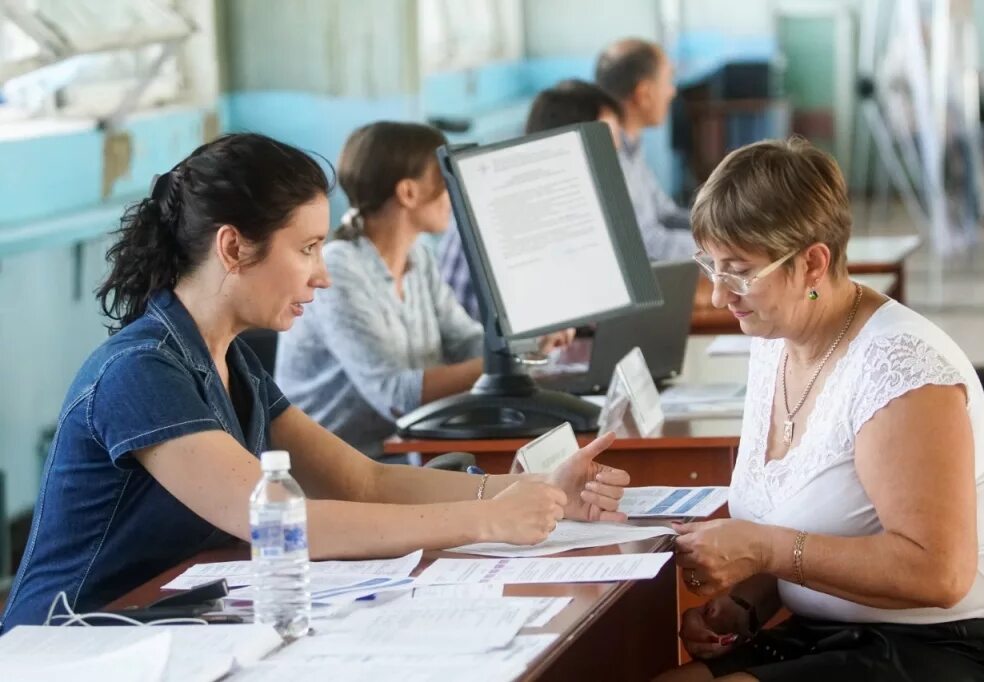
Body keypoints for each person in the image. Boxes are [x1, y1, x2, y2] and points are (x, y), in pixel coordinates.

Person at [0, 133, 630, 632]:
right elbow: (287, 523)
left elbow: (365, 479)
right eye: (306, 249)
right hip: (74, 648)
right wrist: (489, 520)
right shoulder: (141, 371)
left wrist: (526, 490)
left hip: (168, 631)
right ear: (233, 247)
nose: (321, 276)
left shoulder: (232, 362)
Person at [653, 137, 984, 682]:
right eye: (711, 266)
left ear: (812, 263)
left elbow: (940, 574)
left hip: (950, 644)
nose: (718, 295)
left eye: (738, 271)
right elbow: (808, 519)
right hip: (832, 628)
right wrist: (747, 603)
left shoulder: (900, 370)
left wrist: (764, 550)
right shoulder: (775, 340)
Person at [275, 122, 573, 456]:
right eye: (442, 180)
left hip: (404, 453)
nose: (451, 193)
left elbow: (464, 342)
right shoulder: (341, 271)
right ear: (408, 192)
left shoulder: (419, 257)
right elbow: (395, 397)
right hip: (334, 466)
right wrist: (511, 358)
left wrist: (527, 339)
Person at [437, 79, 627, 320]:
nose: (615, 166)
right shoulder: (509, 210)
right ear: (568, 143)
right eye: (607, 150)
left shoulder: (566, 204)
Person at [595, 37, 697, 262]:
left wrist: (727, 231)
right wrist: (724, 251)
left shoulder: (632, 145)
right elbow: (648, 244)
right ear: (644, 93)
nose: (672, 92)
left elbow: (666, 213)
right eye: (668, 80)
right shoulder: (609, 158)